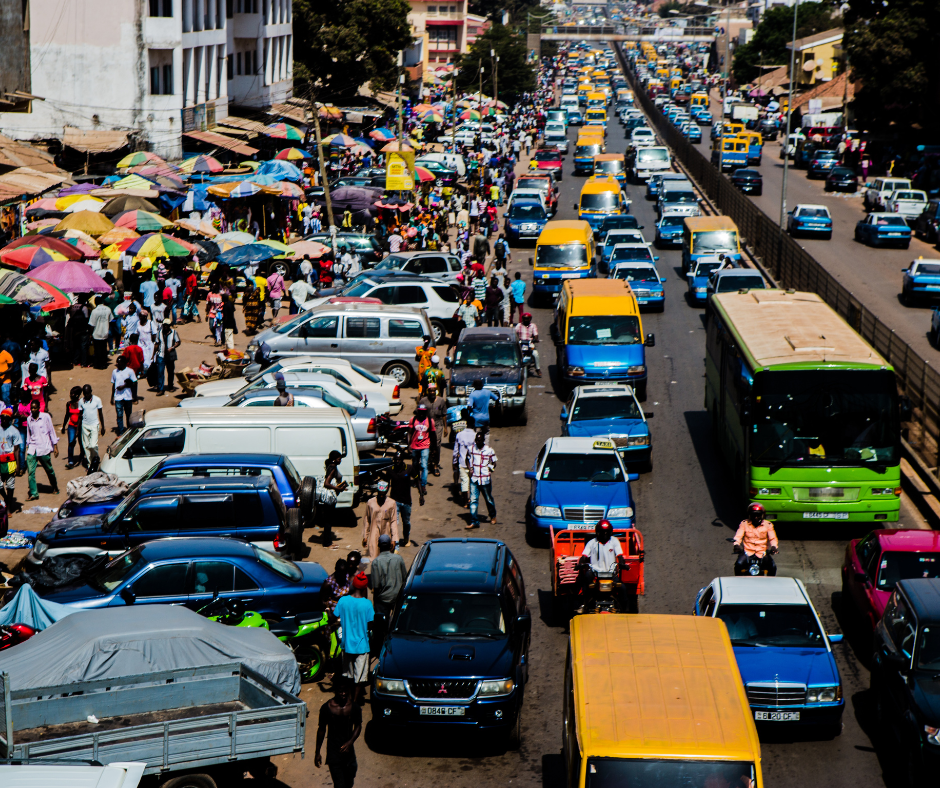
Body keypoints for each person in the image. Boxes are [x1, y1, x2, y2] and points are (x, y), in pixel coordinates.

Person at [333, 572, 374, 702]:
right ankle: (354, 704)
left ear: (352, 585)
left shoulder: (343, 601)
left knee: (348, 676)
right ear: (364, 587)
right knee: (359, 679)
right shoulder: (367, 604)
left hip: (347, 645)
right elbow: (371, 624)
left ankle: (347, 700)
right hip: (361, 646)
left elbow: (334, 616)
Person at [314, 677, 362, 788]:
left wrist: (350, 742)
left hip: (349, 751)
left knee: (350, 779)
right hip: (333, 751)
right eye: (340, 691)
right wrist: (317, 752)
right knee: (339, 784)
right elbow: (321, 730)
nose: (343, 693)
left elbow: (358, 725)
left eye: (345, 690)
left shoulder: (354, 708)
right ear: (335, 690)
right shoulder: (326, 708)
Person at [575, 519, 624, 612]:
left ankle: (625, 609)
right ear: (597, 532)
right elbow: (584, 556)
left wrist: (622, 563)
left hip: (610, 573)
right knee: (586, 582)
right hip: (595, 573)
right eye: (602, 532)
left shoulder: (614, 541)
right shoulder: (592, 543)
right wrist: (581, 564)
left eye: (607, 532)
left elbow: (620, 555)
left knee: (622, 588)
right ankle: (584, 604)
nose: (605, 534)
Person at [24, 399, 58, 501]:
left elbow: (51, 431)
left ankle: (54, 486)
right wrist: (28, 445)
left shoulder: (46, 417)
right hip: (32, 449)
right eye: (31, 408)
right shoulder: (29, 419)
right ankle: (34, 493)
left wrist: (55, 446)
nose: (33, 410)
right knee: (30, 472)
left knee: (49, 470)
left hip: (44, 448)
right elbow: (29, 434)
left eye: (35, 408)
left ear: (39, 408)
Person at [733, 503, 779, 576]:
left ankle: (770, 583)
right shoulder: (744, 523)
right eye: (753, 515)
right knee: (738, 564)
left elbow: (772, 538)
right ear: (749, 515)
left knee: (772, 567)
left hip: (762, 552)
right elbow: (738, 536)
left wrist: (774, 546)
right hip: (748, 552)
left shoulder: (768, 525)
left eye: (758, 515)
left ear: (762, 515)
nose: (756, 517)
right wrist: (736, 545)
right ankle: (738, 581)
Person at [466, 430, 497, 528]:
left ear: (483, 440)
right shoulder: (471, 449)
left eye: (479, 441)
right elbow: (467, 459)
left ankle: (493, 515)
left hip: (485, 479)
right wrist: (470, 468)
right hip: (474, 479)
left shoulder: (489, 450)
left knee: (488, 499)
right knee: (473, 500)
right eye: (476, 440)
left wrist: (491, 468)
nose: (477, 442)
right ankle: (474, 521)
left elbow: (494, 462)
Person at [361, 480, 399, 559]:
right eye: (380, 493)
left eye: (383, 494)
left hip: (386, 534)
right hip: (373, 533)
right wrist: (365, 536)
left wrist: (394, 539)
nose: (381, 496)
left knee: (386, 557)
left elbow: (393, 521)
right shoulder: (370, 502)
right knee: (373, 556)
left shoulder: (391, 503)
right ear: (377, 491)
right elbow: (367, 520)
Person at [408, 403, 434, 504]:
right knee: (415, 465)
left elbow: (433, 434)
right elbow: (409, 433)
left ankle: (423, 484)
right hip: (414, 446)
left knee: (424, 465)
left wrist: (433, 448)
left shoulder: (430, 421)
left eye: (424, 412)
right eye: (420, 412)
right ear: (417, 411)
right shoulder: (413, 420)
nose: (422, 414)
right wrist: (409, 445)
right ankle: (416, 480)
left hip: (425, 446)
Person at [321, 450, 348, 545]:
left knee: (328, 519)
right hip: (330, 497)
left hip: (331, 496)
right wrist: (337, 488)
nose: (340, 460)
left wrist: (341, 488)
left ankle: (327, 540)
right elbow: (326, 483)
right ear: (334, 459)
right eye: (339, 459)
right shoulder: (332, 468)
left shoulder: (332, 466)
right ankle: (327, 542)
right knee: (328, 519)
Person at [418, 383, 446, 475]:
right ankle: (428, 462)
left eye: (434, 390)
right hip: (426, 425)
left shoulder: (441, 401)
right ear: (428, 391)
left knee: (437, 444)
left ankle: (435, 465)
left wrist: (446, 428)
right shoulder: (423, 401)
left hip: (438, 424)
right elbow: (418, 413)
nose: (432, 392)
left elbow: (444, 415)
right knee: (427, 444)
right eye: (430, 390)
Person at [388, 453, 413, 548]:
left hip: (406, 501)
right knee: (394, 523)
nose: (397, 462)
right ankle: (396, 544)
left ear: (402, 460)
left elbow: (417, 479)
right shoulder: (390, 470)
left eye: (399, 460)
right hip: (394, 501)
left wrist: (421, 494)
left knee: (406, 522)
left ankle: (406, 537)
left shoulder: (409, 468)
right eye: (395, 460)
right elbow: (386, 483)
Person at [0, 408, 20, 517]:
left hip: (10, 460)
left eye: (5, 419)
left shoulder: (14, 431)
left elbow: (17, 449)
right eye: (2, 419)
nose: (3, 421)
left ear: (10, 419)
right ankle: (6, 497)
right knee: (0, 485)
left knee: (10, 484)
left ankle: (8, 508)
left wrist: (17, 465)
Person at [453, 415, 476, 507]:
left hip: (462, 463)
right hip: (473, 464)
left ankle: (465, 501)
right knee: (472, 483)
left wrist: (454, 462)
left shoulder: (459, 435)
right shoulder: (476, 436)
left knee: (464, 482)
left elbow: (455, 451)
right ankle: (472, 500)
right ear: (474, 424)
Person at [80, 384, 105, 470]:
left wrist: (103, 427)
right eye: (85, 393)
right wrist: (78, 429)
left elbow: (100, 414)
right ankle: (90, 465)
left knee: (93, 445)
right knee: (86, 446)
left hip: (94, 425)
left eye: (88, 393)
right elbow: (80, 416)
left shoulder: (97, 400)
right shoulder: (81, 401)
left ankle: (96, 460)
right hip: (84, 425)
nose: (86, 395)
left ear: (91, 391)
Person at [111, 355, 137, 434]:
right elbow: (113, 384)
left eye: (119, 363)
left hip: (127, 397)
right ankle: (121, 432)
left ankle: (129, 431)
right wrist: (112, 397)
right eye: (117, 363)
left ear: (124, 363)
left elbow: (134, 383)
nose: (117, 365)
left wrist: (125, 386)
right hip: (118, 397)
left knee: (128, 415)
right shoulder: (114, 372)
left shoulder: (130, 371)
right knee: (119, 415)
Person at [154, 319, 180, 396]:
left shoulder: (174, 332)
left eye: (167, 325)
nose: (165, 326)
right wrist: (153, 355)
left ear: (169, 326)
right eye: (164, 325)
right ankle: (161, 389)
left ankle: (170, 386)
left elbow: (178, 342)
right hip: (161, 355)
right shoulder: (159, 333)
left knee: (170, 372)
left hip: (170, 356)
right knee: (160, 372)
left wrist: (172, 348)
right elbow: (157, 343)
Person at [61, 386, 84, 469]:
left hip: (80, 426)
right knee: (71, 442)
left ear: (77, 395)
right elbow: (67, 415)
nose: (71, 395)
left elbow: (81, 417)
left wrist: (78, 429)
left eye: (73, 394)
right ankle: (70, 461)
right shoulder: (69, 404)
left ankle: (82, 458)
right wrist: (63, 426)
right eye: (70, 393)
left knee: (81, 442)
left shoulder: (81, 403)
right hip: (71, 426)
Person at [514, 312, 542, 377]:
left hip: (530, 343)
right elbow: (515, 333)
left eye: (527, 319)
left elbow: (535, 335)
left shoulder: (533, 326)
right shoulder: (519, 325)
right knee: (515, 354)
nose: (525, 320)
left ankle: (538, 369)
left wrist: (536, 339)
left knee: (535, 354)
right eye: (524, 318)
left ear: (530, 319)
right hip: (521, 343)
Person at [89, 298, 112, 369]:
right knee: (104, 349)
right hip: (105, 332)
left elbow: (92, 324)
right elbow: (111, 320)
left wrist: (90, 333)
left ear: (95, 302)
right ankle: (104, 364)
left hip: (96, 333)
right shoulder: (108, 309)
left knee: (97, 350)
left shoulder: (94, 311)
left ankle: (98, 365)